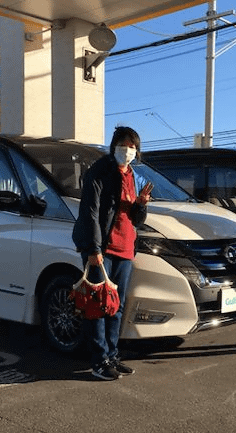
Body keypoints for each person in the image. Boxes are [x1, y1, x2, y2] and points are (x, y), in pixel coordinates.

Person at [72, 126, 151, 380]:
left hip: (126, 249)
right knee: (97, 306)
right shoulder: (99, 172)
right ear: (114, 145)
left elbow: (135, 219)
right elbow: (90, 213)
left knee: (116, 306)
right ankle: (99, 360)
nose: (127, 150)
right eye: (123, 144)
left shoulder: (133, 176)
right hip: (103, 250)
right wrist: (94, 249)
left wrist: (141, 206)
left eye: (132, 146)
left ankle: (113, 355)